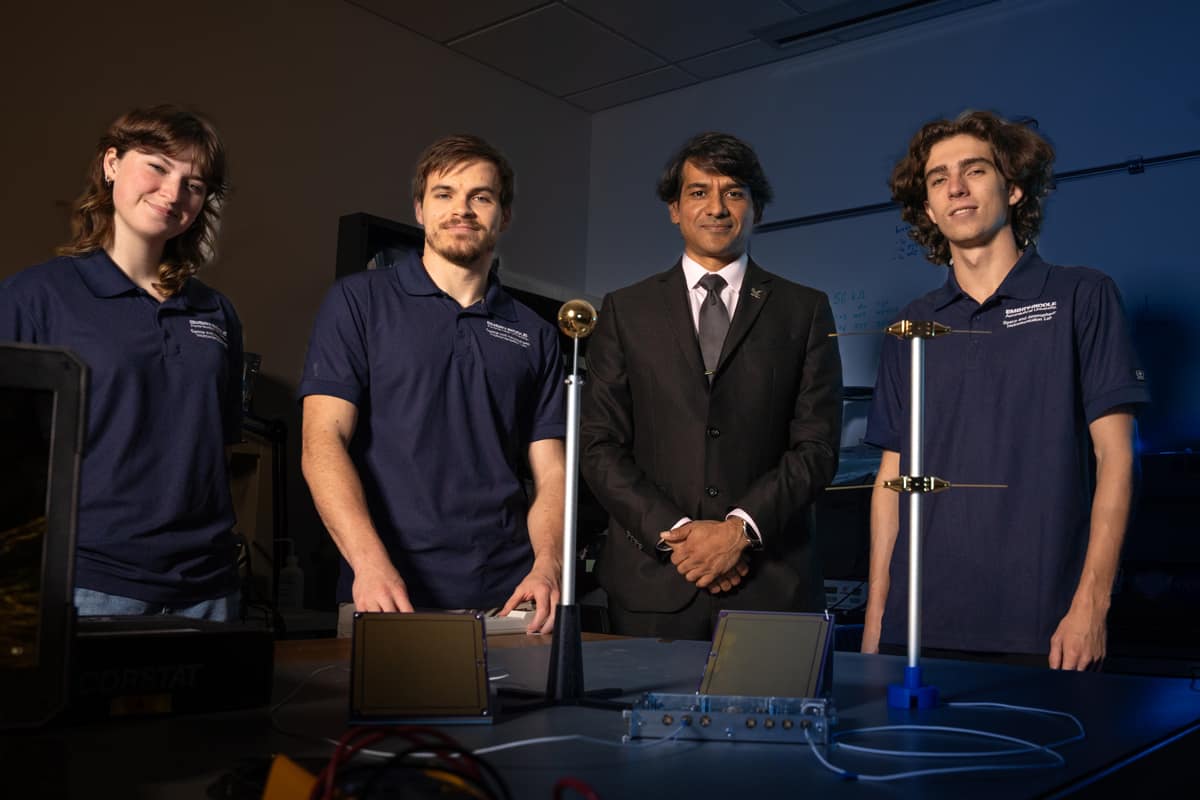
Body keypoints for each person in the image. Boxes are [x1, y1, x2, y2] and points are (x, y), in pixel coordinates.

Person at [861, 110, 1150, 669]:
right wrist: (877, 619)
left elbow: (1117, 459)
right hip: (917, 629)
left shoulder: (1080, 296)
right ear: (927, 207)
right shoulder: (911, 325)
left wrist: (1091, 603)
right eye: (938, 179)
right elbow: (891, 480)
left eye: (975, 171)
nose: (957, 189)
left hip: (1043, 628)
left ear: (1014, 188)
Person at [579, 132, 843, 639]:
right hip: (652, 585)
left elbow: (817, 446)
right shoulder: (625, 310)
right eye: (699, 192)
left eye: (734, 192)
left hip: (772, 586)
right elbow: (599, 446)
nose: (717, 208)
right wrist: (682, 537)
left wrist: (738, 531)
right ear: (674, 210)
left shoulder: (804, 310)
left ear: (756, 209)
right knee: (647, 722)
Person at [299, 135, 566, 637]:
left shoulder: (536, 334)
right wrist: (368, 564)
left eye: (480, 197)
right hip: (386, 593)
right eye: (444, 194)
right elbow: (321, 443)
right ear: (420, 209)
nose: (461, 210)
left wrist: (547, 566)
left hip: (508, 600)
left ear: (503, 215)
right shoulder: (358, 302)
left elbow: (551, 472)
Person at [0, 105, 243, 621]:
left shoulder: (216, 312)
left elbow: (215, 447)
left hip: (208, 589)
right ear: (112, 163)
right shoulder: (34, 298)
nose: (174, 193)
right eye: (157, 166)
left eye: (194, 184)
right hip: (87, 583)